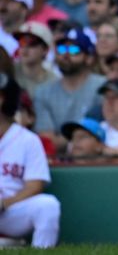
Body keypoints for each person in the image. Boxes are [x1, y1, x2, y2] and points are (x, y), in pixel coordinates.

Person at [0, 73, 61, 248]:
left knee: (47, 205)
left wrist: (5, 203)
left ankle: (40, 249)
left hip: (10, 210)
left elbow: (35, 186)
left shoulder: (27, 140)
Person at [33, 27, 105, 153]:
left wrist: (66, 140)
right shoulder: (43, 92)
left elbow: (103, 133)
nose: (65, 55)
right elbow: (48, 142)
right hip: (57, 162)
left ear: (89, 57)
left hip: (96, 160)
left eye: (74, 49)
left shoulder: (103, 86)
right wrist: (82, 138)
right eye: (61, 49)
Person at [12, 21, 57, 96]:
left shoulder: (53, 81)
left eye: (32, 44)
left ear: (45, 50)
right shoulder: (8, 71)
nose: (25, 49)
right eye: (22, 43)